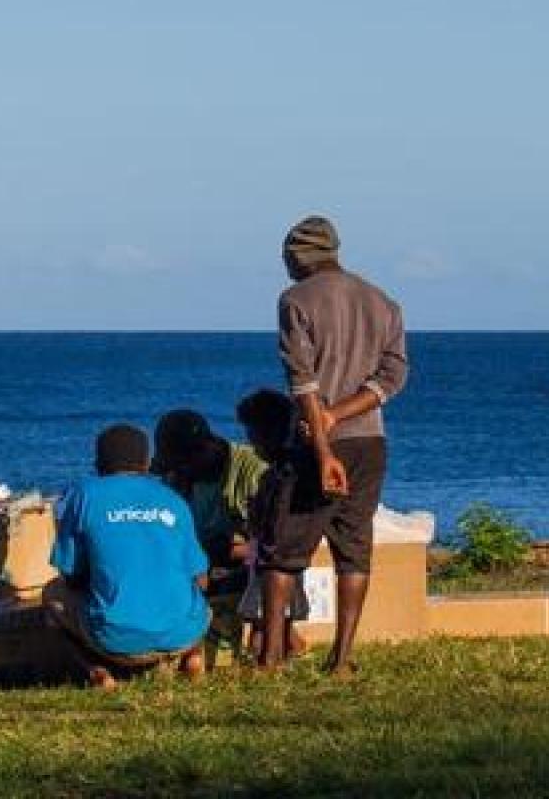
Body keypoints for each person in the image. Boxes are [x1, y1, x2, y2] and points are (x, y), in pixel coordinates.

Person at [257, 215, 407, 675]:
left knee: (285, 550)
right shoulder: (382, 301)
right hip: (369, 440)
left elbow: (302, 380)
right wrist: (342, 412)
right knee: (354, 548)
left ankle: (270, 657)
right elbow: (393, 376)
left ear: (299, 256)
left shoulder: (296, 300)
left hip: (314, 444)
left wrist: (323, 442)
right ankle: (341, 659)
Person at [45, 423, 211, 689]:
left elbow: (71, 576)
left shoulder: (84, 496)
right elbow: (201, 580)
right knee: (196, 603)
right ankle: (192, 656)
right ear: (147, 464)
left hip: (115, 640)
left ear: (99, 465)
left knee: (51, 593)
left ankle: (98, 671)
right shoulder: (172, 499)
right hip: (182, 634)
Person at [234, 388, 310, 660]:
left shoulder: (283, 474)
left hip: (270, 558)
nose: (253, 446)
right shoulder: (279, 472)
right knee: (278, 615)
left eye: (255, 437)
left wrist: (254, 516)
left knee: (262, 618)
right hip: (272, 557)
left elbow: (273, 522)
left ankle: (266, 656)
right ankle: (285, 648)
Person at [153, 409, 267, 573]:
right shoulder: (176, 478)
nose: (179, 472)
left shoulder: (255, 471)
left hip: (247, 571)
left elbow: (278, 547)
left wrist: (223, 553)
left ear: (207, 448)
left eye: (183, 465)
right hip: (199, 567)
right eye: (174, 467)